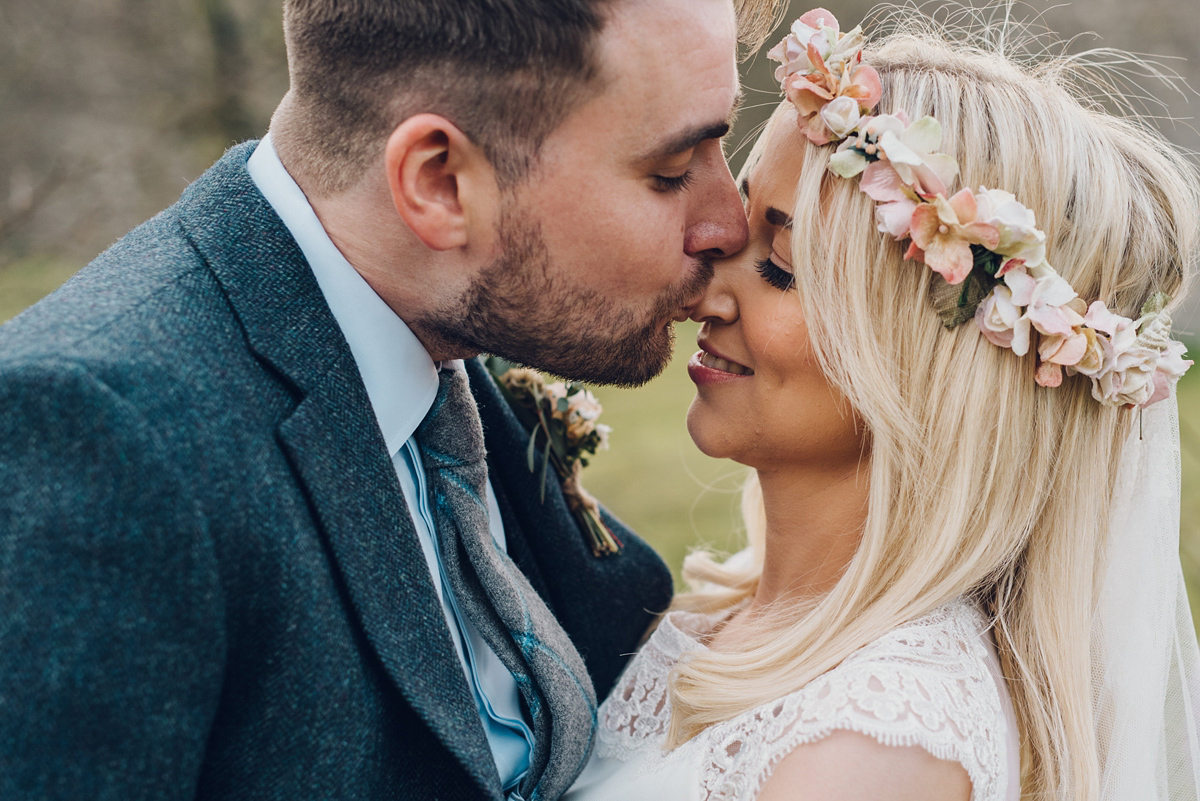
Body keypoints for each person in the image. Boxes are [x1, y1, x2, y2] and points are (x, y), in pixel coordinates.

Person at [0, 1, 783, 799]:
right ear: (440, 183)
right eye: (671, 171)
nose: (728, 222)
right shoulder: (95, 439)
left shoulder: (448, 343)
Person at [566, 8, 1200, 801]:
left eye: (783, 266)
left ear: (923, 363)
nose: (709, 288)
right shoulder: (718, 612)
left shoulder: (875, 743)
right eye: (736, 234)